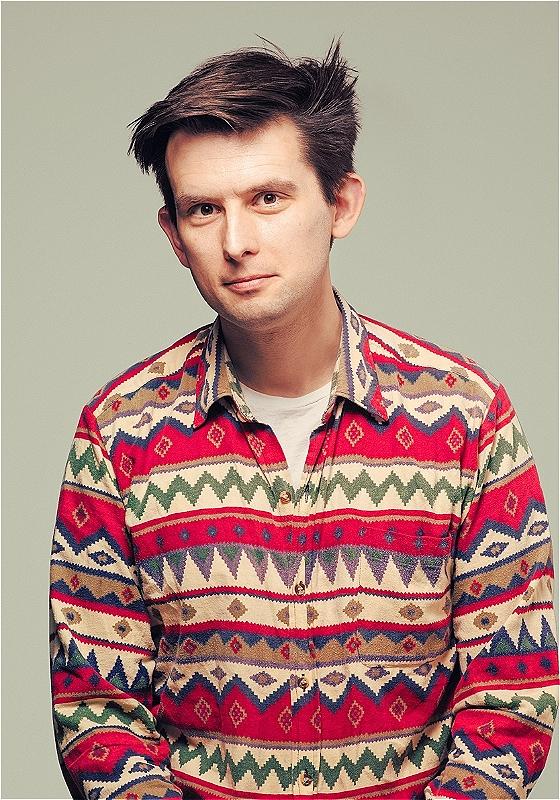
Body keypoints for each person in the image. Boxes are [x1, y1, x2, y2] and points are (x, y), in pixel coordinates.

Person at [49, 41, 558, 800]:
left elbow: (511, 699)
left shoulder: (467, 417)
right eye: (203, 210)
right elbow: (98, 714)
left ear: (341, 203)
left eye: (268, 198)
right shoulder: (119, 433)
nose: (237, 242)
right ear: (172, 235)